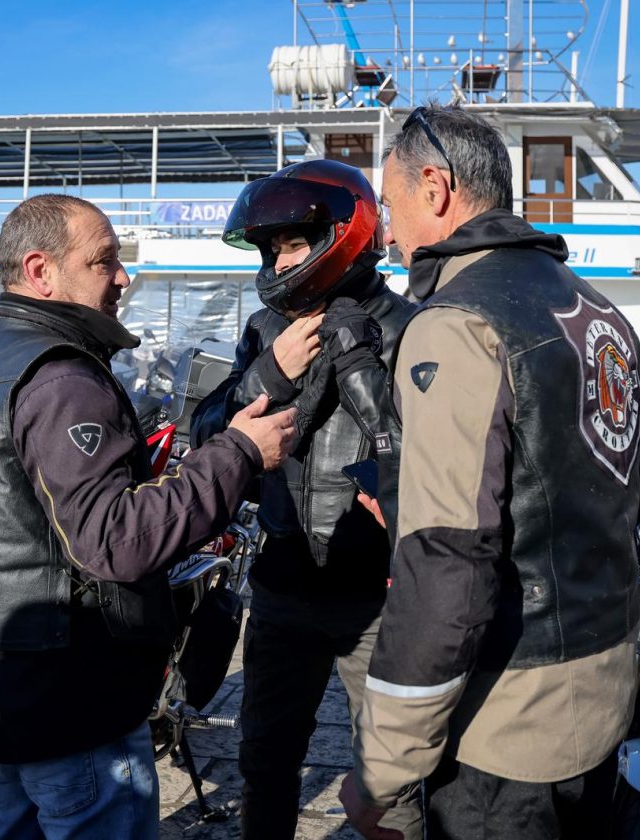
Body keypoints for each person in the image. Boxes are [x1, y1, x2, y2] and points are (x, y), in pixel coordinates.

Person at [0, 194, 297, 839]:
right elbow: (117, 542)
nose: (123, 278)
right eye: (104, 261)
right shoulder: (59, 378)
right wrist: (239, 452)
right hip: (59, 694)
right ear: (42, 270)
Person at [338, 105, 640, 840]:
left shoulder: (456, 323)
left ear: (435, 188)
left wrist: (386, 766)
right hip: (603, 687)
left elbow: (447, 559)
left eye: (391, 202)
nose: (385, 231)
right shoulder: (595, 309)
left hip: (505, 725)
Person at [191, 159, 422, 839]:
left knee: (392, 778)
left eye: (294, 242)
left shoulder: (411, 327)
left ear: (342, 234)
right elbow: (207, 432)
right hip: (283, 586)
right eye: (272, 247)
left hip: (378, 595)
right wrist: (270, 373)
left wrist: (363, 379)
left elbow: (434, 459)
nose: (281, 258)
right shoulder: (266, 328)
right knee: (264, 758)